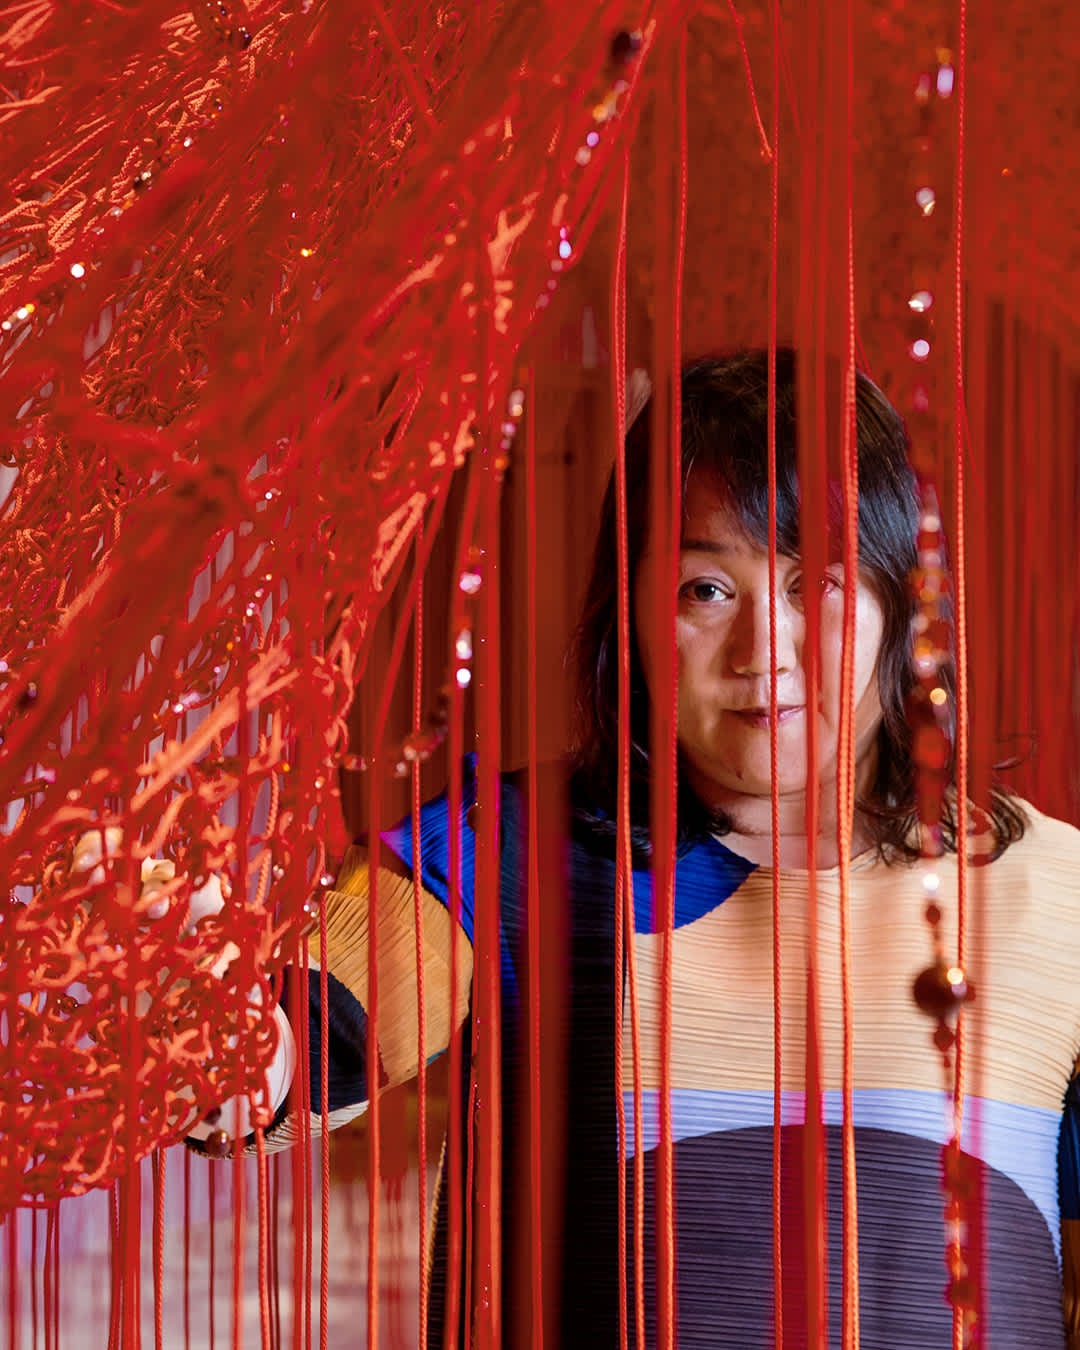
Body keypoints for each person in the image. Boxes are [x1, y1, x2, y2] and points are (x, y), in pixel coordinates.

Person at [182, 349, 1080, 1346]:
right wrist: (219, 1037)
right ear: (634, 611)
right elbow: (321, 1033)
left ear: (898, 603)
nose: (763, 652)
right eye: (707, 589)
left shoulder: (1057, 894)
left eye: (813, 581)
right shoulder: (505, 854)